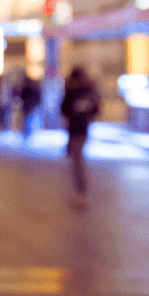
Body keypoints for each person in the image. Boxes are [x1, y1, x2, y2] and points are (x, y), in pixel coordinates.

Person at [60, 67, 100, 206]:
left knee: (77, 161)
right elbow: (64, 109)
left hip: (79, 130)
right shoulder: (78, 90)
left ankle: (81, 191)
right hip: (75, 130)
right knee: (74, 158)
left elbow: (95, 109)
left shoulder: (82, 90)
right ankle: (79, 191)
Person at [18, 73, 43, 139]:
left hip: (29, 107)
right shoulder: (29, 89)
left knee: (28, 120)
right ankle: (26, 133)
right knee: (27, 120)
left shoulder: (31, 89)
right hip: (29, 107)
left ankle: (27, 133)